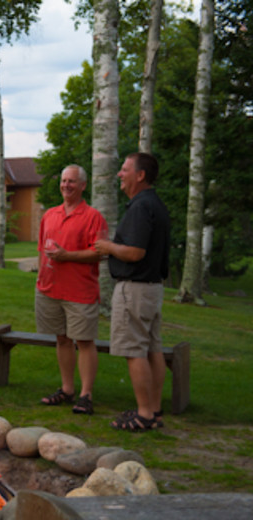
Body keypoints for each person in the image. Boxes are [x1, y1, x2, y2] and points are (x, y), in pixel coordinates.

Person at [94, 152, 171, 432]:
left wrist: (108, 247)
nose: (119, 174)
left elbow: (136, 252)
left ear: (140, 175)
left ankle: (143, 414)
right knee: (153, 348)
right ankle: (154, 410)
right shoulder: (155, 205)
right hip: (152, 289)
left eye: (125, 170)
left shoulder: (140, 207)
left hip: (135, 289)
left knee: (135, 350)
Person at [36, 165, 108, 415]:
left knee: (85, 341)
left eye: (72, 181)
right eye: (64, 181)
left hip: (80, 290)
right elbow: (40, 251)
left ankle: (86, 395)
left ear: (83, 185)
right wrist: (40, 279)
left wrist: (67, 256)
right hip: (50, 289)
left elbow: (99, 252)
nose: (66, 185)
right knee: (62, 339)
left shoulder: (93, 217)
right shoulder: (50, 215)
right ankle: (67, 390)